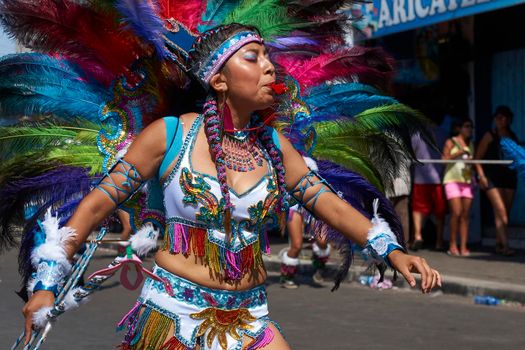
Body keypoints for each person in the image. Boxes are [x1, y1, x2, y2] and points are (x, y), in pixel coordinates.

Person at [18, 22, 442, 349]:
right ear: (218, 80)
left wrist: (392, 250)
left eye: (267, 57)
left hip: (249, 316)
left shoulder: (274, 146)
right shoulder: (171, 136)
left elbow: (325, 202)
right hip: (174, 312)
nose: (269, 67)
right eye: (253, 58)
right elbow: (94, 207)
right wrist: (47, 285)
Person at [475, 106, 518, 256]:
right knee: (502, 212)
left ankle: (499, 245)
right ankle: (506, 246)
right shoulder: (489, 135)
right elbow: (477, 158)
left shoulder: (512, 135)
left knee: (503, 213)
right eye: (499, 117)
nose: (502, 120)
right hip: (492, 178)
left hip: (509, 177)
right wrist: (481, 176)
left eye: (505, 117)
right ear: (495, 119)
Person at [442, 118, 475, 257]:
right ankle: (452, 244)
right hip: (452, 180)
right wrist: (458, 153)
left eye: (471, 127)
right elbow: (443, 160)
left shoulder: (471, 144)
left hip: (466, 180)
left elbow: (473, 162)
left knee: (465, 215)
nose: (469, 129)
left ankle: (463, 246)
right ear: (460, 128)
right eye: (467, 126)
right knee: (456, 212)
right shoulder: (451, 141)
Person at [410, 128, 447, 251]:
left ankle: (418, 236)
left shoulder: (417, 133)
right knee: (439, 212)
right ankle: (439, 241)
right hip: (436, 178)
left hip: (422, 178)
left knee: (418, 209)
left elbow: (411, 152)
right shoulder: (442, 132)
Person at [280, 204, 331, 289]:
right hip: (294, 206)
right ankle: (287, 276)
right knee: (296, 246)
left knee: (322, 242)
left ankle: (319, 269)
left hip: (314, 204)